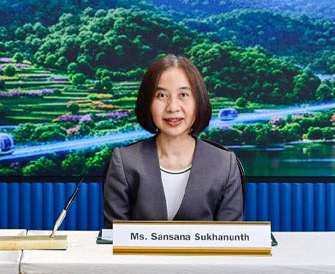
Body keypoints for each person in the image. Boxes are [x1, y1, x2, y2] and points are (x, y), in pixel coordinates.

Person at [102, 54, 244, 227]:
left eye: (183, 94)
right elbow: (114, 237)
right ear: (147, 102)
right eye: (162, 95)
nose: (172, 107)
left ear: (199, 101)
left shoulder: (225, 164)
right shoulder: (124, 162)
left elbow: (231, 239)